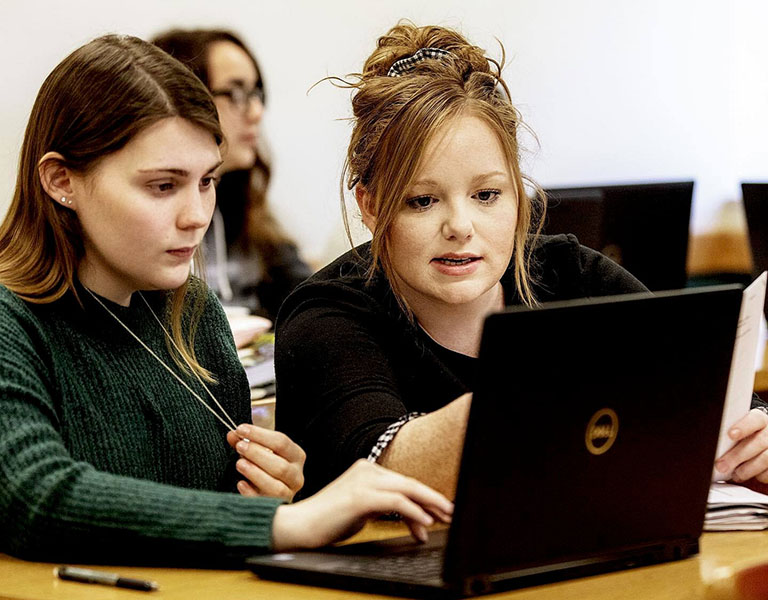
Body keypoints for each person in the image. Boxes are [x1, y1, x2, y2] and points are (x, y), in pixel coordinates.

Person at [0, 34, 452, 565]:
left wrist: (268, 491)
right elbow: (34, 497)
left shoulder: (192, 312)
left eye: (206, 181)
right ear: (60, 180)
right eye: (163, 186)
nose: (196, 214)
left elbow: (211, 518)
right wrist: (286, 521)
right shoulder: (14, 320)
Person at [274, 22, 768, 500]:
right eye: (422, 200)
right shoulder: (325, 316)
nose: (460, 226)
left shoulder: (567, 271)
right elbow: (388, 466)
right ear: (372, 205)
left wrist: (755, 436)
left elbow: (717, 393)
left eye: (487, 194)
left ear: (517, 196)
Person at [151, 29, 312, 321]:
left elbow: (308, 295)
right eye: (235, 93)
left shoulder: (246, 204)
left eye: (256, 93)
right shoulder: (151, 220)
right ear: (182, 97)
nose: (256, 112)